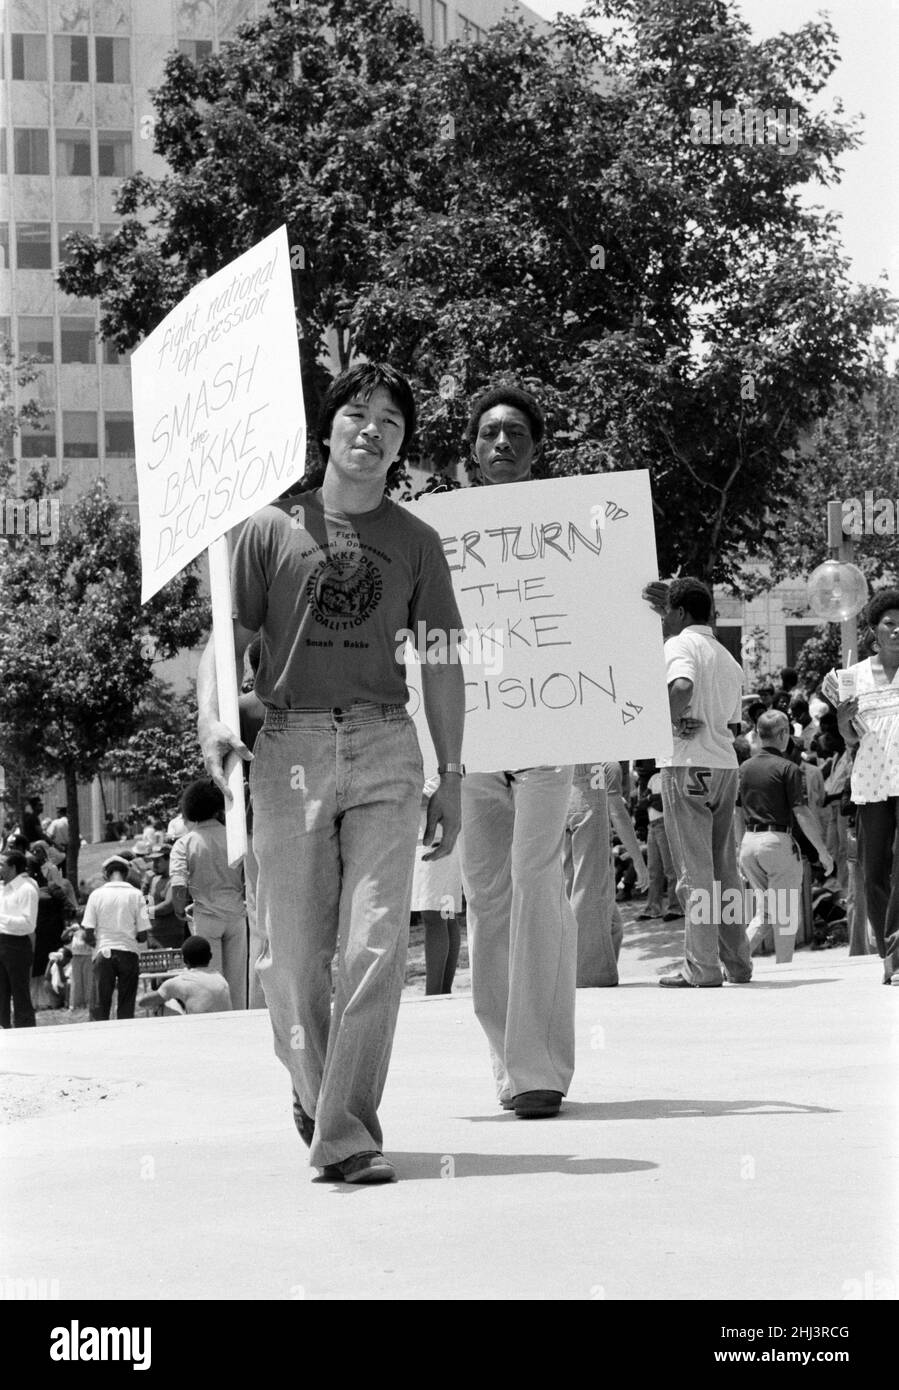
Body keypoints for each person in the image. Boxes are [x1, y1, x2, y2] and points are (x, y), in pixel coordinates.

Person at [198, 362, 465, 1185]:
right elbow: (225, 636)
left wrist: (450, 771)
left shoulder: (416, 542)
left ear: (401, 445)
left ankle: (345, 1130)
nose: (371, 430)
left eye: (390, 420)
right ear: (327, 428)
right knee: (291, 958)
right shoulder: (269, 530)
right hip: (290, 750)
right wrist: (212, 716)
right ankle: (314, 1090)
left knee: (378, 944)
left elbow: (445, 660)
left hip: (388, 747)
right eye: (356, 413)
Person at [461, 386, 661, 1114]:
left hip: (548, 736)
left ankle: (540, 1072)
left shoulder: (573, 526)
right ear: (473, 450)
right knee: (485, 900)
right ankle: (507, 1066)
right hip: (470, 742)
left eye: (516, 431)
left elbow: (607, 621)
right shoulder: (442, 534)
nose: (503, 442)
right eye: (489, 433)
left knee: (537, 887)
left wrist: (640, 604)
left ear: (536, 447)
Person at [644, 577, 754, 988]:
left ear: (678, 613)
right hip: (725, 766)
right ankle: (737, 962)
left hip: (687, 764)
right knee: (724, 868)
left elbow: (683, 686)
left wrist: (666, 718)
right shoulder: (728, 657)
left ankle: (702, 967)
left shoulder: (679, 645)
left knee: (693, 871)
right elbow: (733, 721)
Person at [831, 586, 899, 984]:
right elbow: (850, 738)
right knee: (874, 871)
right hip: (872, 783)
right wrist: (842, 724)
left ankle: (895, 949)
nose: (896, 631)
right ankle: (888, 953)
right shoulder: (853, 677)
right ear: (875, 629)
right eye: (889, 624)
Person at [737, 710, 834, 963]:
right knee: (786, 914)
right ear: (783, 735)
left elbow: (736, 812)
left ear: (758, 734)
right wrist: (822, 851)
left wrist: (739, 849)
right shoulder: (788, 768)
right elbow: (801, 812)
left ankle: (735, 962)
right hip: (777, 843)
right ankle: (784, 967)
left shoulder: (744, 768)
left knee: (766, 914)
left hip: (748, 844)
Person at [564, 760, 649, 987]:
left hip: (563, 801)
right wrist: (639, 862)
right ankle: (588, 974)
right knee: (589, 893)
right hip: (588, 805)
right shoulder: (608, 765)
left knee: (611, 923)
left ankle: (572, 969)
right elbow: (617, 813)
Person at [168, 780, 247, 1009]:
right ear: (217, 807)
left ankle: (215, 1027)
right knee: (237, 981)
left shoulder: (185, 843)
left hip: (206, 915)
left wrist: (180, 909)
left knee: (209, 980)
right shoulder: (235, 836)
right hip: (236, 913)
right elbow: (247, 876)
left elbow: (179, 883)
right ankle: (239, 1022)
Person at [412, 775, 463, 995]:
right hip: (438, 828)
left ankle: (433, 993)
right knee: (445, 914)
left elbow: (428, 795)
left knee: (434, 914)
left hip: (433, 828)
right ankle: (442, 991)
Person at [82, 855, 150, 1021]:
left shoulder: (96, 895)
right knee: (126, 1005)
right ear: (126, 874)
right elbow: (143, 936)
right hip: (129, 953)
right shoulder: (138, 895)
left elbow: (88, 931)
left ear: (106, 874)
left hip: (104, 951)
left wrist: (95, 942)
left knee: (99, 1007)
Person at [137, 934, 232, 1016]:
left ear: (185, 961)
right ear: (210, 956)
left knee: (165, 1002)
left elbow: (143, 1003)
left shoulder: (181, 980)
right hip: (223, 1028)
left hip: (197, 1030)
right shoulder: (221, 979)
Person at [635, 761, 681, 922]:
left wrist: (650, 799)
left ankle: (676, 906)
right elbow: (641, 803)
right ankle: (653, 907)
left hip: (664, 822)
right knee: (653, 870)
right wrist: (652, 798)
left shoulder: (671, 776)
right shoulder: (654, 778)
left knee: (670, 868)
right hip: (652, 825)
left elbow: (664, 804)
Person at [0, 849, 39, 1027]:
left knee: (20, 992)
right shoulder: (2, 889)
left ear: (13, 868)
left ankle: (26, 1031)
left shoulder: (26, 889)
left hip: (16, 945)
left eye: (2, 864)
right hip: (2, 943)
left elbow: (28, 924)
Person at [144, 844, 185, 950]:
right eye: (153, 861)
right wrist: (144, 886)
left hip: (171, 936)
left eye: (158, 860)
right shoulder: (154, 880)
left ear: (169, 860)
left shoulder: (175, 879)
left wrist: (145, 911)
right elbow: (148, 903)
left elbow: (168, 906)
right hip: (153, 935)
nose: (154, 864)